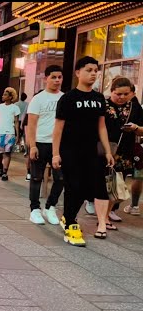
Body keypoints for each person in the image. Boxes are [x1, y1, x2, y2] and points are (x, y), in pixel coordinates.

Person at [52, 56, 114, 246]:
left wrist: (107, 151)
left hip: (91, 151)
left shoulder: (98, 98)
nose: (93, 73)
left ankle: (68, 217)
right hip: (69, 150)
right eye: (89, 70)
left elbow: (101, 127)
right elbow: (58, 128)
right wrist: (55, 153)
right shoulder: (68, 98)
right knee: (74, 186)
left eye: (96, 70)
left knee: (86, 188)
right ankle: (71, 223)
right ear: (78, 72)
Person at [26, 65, 64, 226]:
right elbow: (31, 124)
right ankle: (34, 209)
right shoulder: (38, 99)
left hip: (59, 145)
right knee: (36, 177)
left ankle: (50, 207)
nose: (57, 80)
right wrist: (32, 145)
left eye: (59, 77)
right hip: (40, 143)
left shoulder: (64, 98)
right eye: (53, 77)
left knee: (61, 178)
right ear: (46, 78)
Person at [102, 78, 143, 223]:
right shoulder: (103, 104)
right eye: (118, 94)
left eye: (126, 94)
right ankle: (96, 204)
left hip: (125, 150)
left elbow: (142, 129)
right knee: (101, 179)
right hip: (103, 149)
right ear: (111, 91)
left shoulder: (134, 107)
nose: (122, 97)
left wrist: (135, 128)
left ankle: (112, 209)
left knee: (119, 181)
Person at [0, 87, 21, 181]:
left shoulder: (15, 108)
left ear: (10, 97)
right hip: (0, 133)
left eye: (5, 94)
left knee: (7, 153)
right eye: (3, 94)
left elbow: (16, 122)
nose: (3, 96)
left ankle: (5, 172)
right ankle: (0, 165)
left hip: (10, 134)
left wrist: (17, 135)